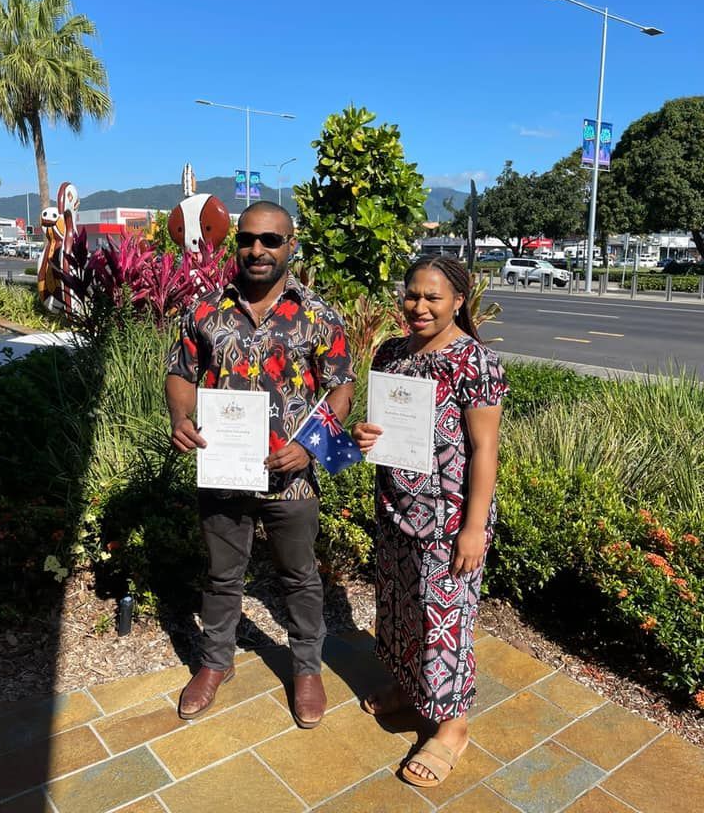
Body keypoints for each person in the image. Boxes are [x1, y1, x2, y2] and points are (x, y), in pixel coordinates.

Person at [166, 200, 354, 728]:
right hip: (224, 472)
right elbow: (180, 371)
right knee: (223, 575)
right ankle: (215, 663)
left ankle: (306, 669)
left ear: (290, 246)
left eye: (270, 241)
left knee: (299, 577)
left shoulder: (318, 315)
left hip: (291, 476)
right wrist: (181, 415)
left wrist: (314, 443)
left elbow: (341, 387)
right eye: (248, 239)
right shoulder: (205, 309)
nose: (257, 250)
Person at [352, 255, 508, 788]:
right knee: (400, 606)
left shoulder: (474, 362)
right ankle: (410, 687)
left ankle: (451, 725)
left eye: (432, 298)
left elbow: (485, 450)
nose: (418, 306)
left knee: (446, 619)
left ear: (458, 302)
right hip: (397, 509)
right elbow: (380, 423)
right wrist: (364, 436)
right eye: (411, 295)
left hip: (449, 519)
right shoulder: (392, 353)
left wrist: (474, 526)